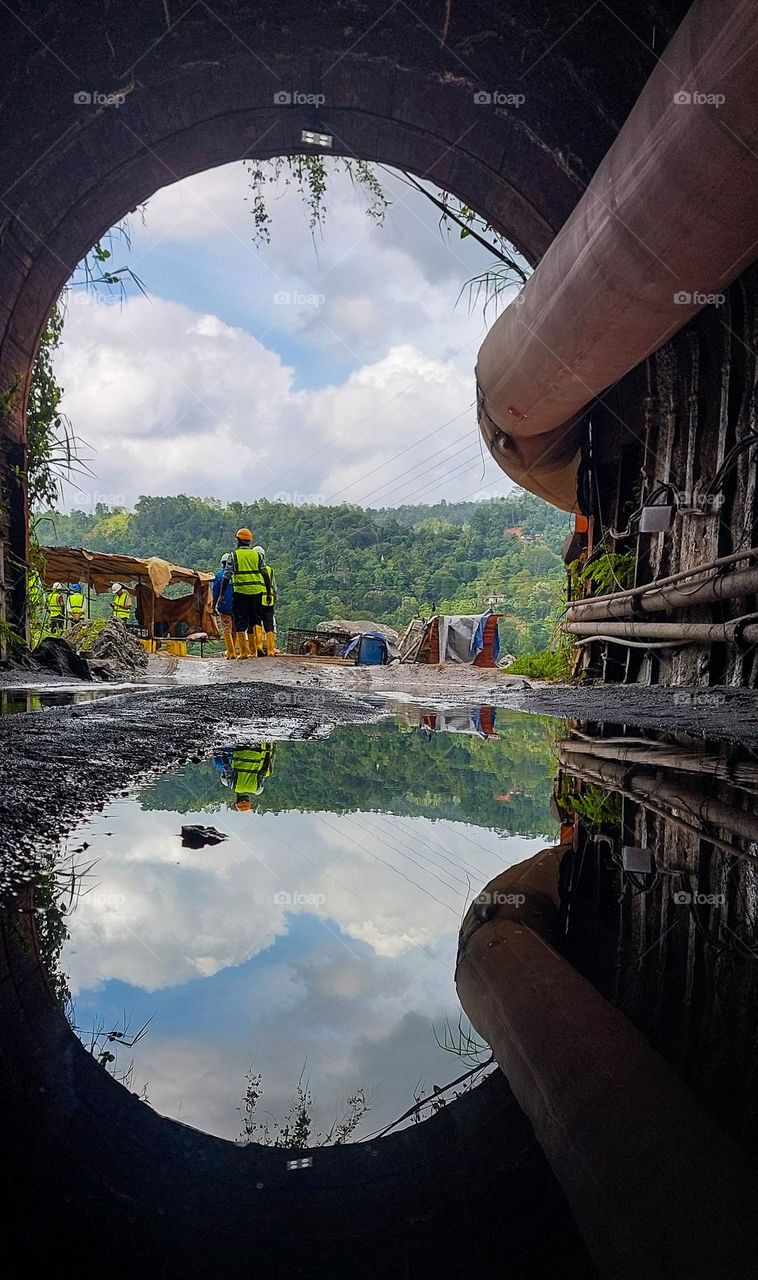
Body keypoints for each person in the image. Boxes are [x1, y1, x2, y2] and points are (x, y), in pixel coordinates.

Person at [221, 528, 270, 659]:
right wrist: (269, 592)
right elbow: (265, 574)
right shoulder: (257, 555)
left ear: (238, 540)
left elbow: (226, 576)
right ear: (249, 541)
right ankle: (255, 650)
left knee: (241, 620)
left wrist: (221, 595)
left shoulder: (234, 555)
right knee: (255, 620)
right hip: (256, 592)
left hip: (241, 593)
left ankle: (244, 652)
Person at [214, 742, 275, 811]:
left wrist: (267, 753)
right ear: (237, 800)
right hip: (240, 750)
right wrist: (223, 753)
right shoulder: (234, 786)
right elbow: (227, 767)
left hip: (256, 752)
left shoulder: (256, 788)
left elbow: (263, 770)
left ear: (248, 799)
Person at [253, 545, 277, 656]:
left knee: (257, 622)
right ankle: (271, 650)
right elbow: (274, 588)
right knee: (269, 625)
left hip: (256, 600)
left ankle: (258, 646)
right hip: (269, 601)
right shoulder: (270, 570)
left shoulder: (253, 570)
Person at [212, 552, 236, 660]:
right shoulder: (236, 575)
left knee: (227, 629)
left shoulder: (218, 576)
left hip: (224, 606)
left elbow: (215, 593)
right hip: (237, 606)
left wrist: (213, 607)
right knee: (236, 629)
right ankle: (234, 650)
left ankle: (231, 652)